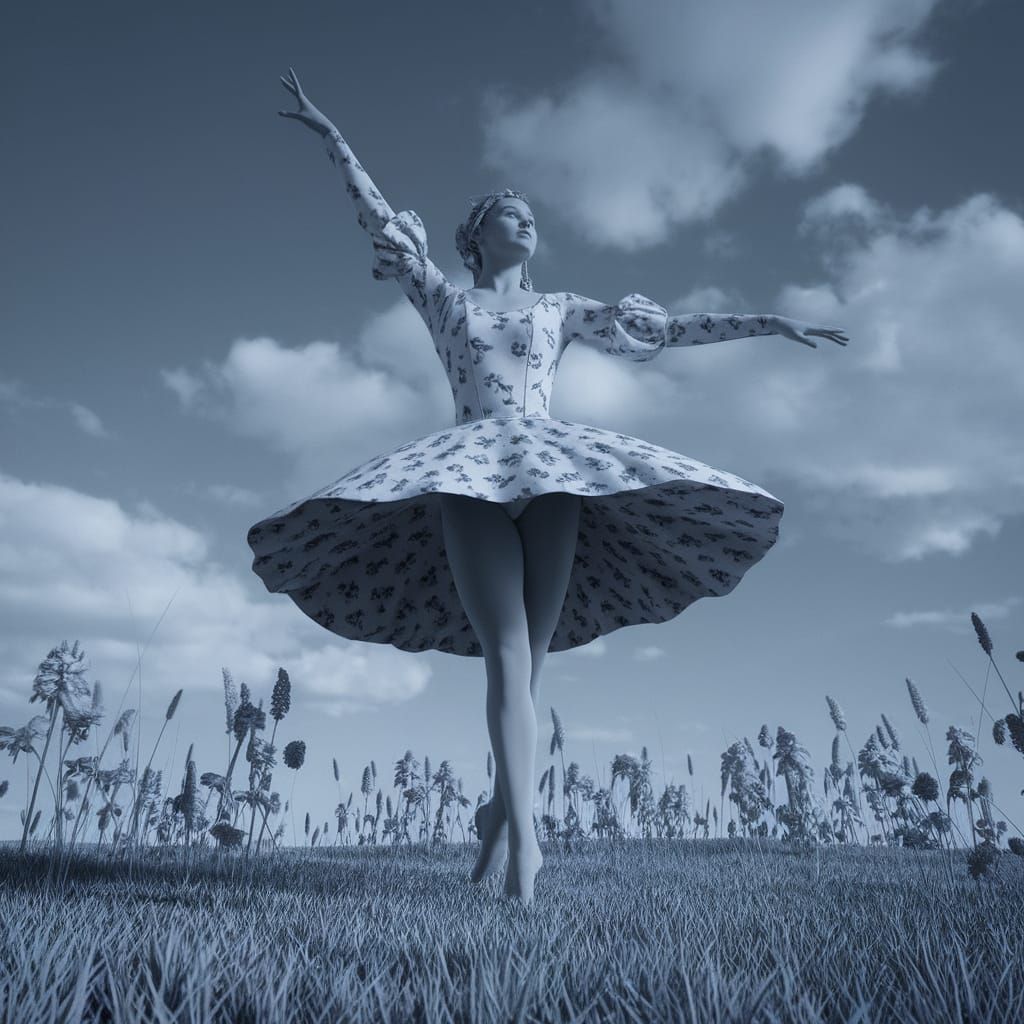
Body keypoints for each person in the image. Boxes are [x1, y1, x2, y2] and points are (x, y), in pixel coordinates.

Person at [250, 68, 850, 904]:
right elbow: (380, 219)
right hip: (466, 472)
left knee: (528, 669)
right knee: (503, 657)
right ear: (478, 235)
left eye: (532, 215)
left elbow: (663, 330)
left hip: (554, 472)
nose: (527, 220)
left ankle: (499, 809)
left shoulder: (559, 308)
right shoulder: (443, 298)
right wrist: (333, 138)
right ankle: (529, 849)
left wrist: (767, 322)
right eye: (510, 212)